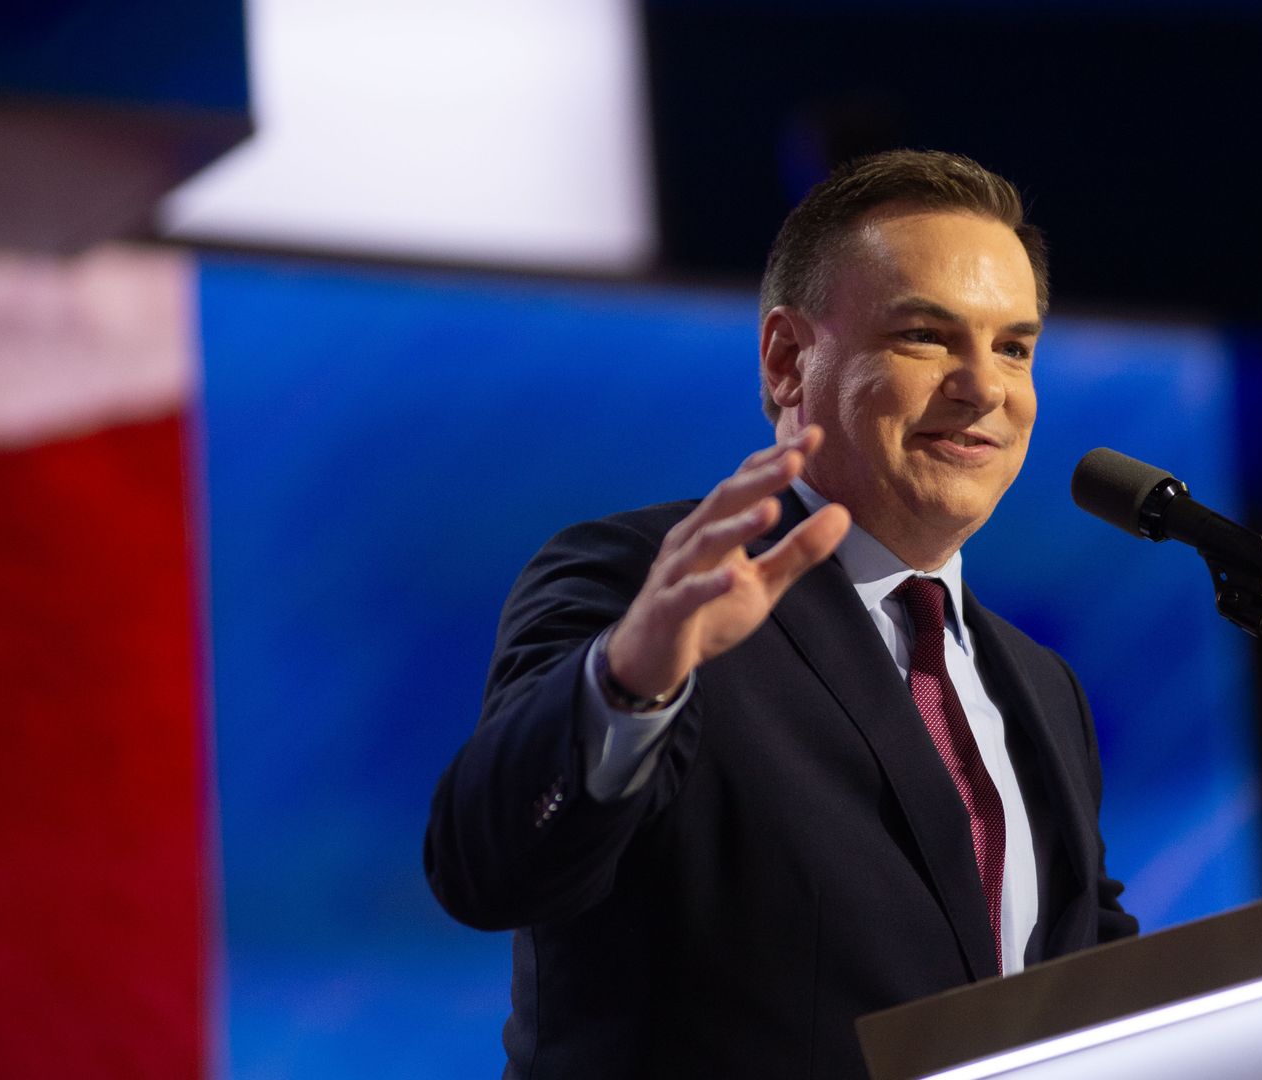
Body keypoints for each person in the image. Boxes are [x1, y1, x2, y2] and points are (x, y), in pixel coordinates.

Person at [425, 149, 1137, 1079]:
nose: (985, 387)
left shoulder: (1041, 688)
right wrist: (630, 683)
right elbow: (490, 866)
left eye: (1013, 346)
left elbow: (1089, 979)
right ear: (788, 359)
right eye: (927, 335)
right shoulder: (648, 591)